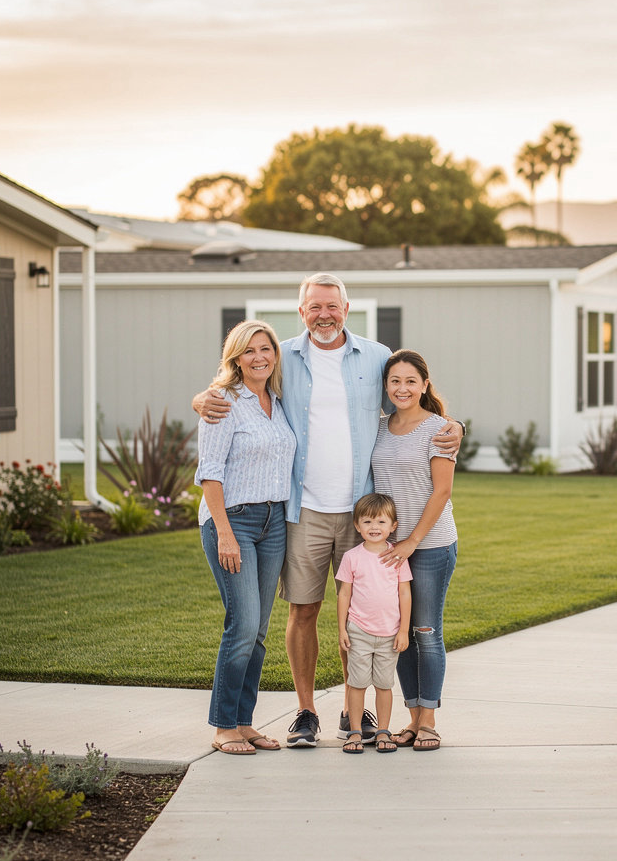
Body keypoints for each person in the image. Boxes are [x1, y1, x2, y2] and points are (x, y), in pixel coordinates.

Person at [193, 274, 462, 748]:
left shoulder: (377, 357)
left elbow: (409, 399)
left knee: (360, 612)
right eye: (314, 306)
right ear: (301, 312)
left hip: (363, 515)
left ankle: (350, 711)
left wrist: (452, 424)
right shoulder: (283, 361)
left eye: (331, 306)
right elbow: (236, 390)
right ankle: (305, 711)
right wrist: (202, 398)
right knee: (304, 610)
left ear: (346, 307)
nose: (324, 315)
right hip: (302, 510)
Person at [196, 320, 295, 755]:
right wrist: (225, 534)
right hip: (232, 520)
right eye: (250, 351)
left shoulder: (279, 401)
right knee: (242, 625)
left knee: (258, 630)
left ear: (275, 354)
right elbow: (210, 473)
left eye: (266, 349)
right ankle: (222, 726)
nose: (260, 357)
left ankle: (244, 721)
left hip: (275, 523)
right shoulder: (221, 403)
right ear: (235, 358)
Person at [372, 350, 458, 752]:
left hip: (430, 546)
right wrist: (392, 543)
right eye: (394, 381)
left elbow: (442, 491)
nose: (402, 388)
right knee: (398, 634)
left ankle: (429, 720)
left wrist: (411, 542)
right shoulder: (379, 427)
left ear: (424, 384)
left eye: (410, 381)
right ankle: (411, 717)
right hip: (389, 550)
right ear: (386, 387)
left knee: (425, 631)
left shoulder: (440, 429)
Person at [335, 493, 412, 755]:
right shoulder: (352, 557)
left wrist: (403, 631)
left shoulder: (397, 557)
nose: (374, 527)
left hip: (390, 634)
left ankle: (383, 731)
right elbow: (344, 593)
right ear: (357, 526)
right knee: (356, 684)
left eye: (381, 522)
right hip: (359, 631)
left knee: (384, 684)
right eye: (367, 522)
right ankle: (354, 731)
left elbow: (404, 593)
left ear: (393, 526)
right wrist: (342, 629)